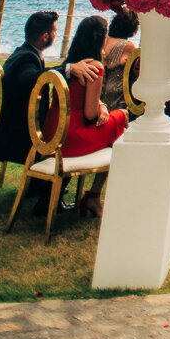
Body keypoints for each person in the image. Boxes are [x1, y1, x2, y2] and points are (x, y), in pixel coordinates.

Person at [0, 10, 102, 214]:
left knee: (62, 132)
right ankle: (47, 201)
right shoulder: (26, 59)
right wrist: (69, 69)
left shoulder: (22, 52)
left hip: (13, 129)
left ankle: (36, 188)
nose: (56, 34)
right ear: (46, 37)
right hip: (16, 137)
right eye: (55, 31)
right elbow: (32, 78)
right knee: (68, 140)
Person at [43, 16, 128, 215]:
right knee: (122, 117)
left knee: (115, 120)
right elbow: (90, 114)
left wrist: (102, 105)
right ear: (101, 39)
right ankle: (94, 195)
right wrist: (102, 109)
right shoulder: (94, 67)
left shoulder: (70, 64)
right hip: (70, 137)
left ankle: (89, 196)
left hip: (51, 134)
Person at [101, 9, 139, 112]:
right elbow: (139, 70)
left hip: (99, 95)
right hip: (116, 99)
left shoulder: (103, 41)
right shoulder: (127, 46)